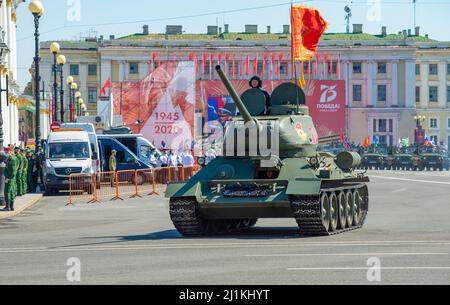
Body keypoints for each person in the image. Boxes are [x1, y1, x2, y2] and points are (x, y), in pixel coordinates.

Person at [3, 147, 18, 212]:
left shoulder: (12, 159)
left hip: (10, 178)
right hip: (11, 178)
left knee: (7, 192)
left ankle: (8, 206)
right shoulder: (10, 158)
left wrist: (9, 178)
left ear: (11, 152)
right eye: (5, 152)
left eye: (7, 152)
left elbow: (13, 171)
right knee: (11, 192)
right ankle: (11, 207)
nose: (6, 153)